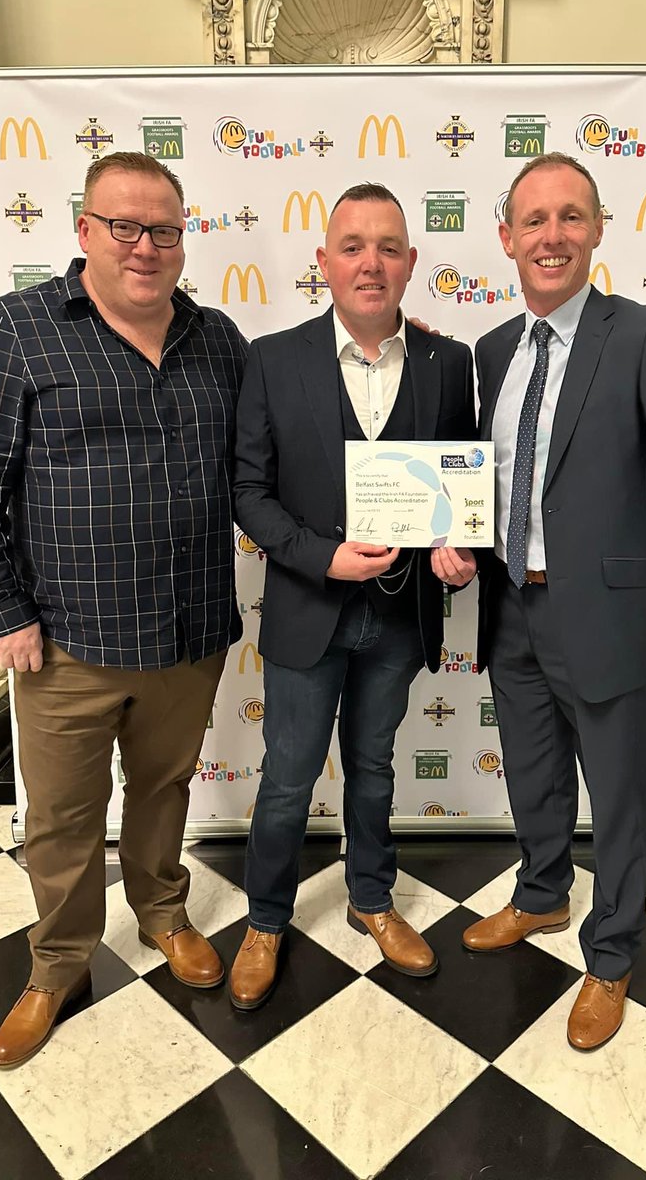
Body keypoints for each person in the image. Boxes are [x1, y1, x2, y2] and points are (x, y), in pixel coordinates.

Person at [0, 152, 247, 1067]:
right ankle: (58, 962)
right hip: (65, 640)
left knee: (162, 789)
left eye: (165, 230)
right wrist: (2, 609)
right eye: (126, 227)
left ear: (184, 238)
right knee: (65, 816)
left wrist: (398, 346)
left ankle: (162, 914)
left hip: (188, 634)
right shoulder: (15, 333)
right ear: (84, 231)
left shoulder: (216, 339)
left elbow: (278, 440)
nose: (146, 247)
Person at [456, 152, 646, 1049]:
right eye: (533, 221)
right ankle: (541, 896)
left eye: (570, 217)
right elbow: (489, 479)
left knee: (616, 795)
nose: (552, 236)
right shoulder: (492, 351)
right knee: (532, 774)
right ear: (505, 237)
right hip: (511, 609)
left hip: (601, 615)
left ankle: (610, 954)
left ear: (599, 229)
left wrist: (625, 569)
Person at [230, 182, 476, 1009]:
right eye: (353, 246)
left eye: (388, 246)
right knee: (289, 777)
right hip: (307, 611)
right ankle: (266, 919)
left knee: (374, 768)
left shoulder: (451, 363)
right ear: (324, 263)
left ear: (410, 262)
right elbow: (251, 492)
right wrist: (321, 557)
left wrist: (456, 544)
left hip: (401, 618)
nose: (371, 262)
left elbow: (458, 484)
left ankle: (372, 898)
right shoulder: (272, 358)